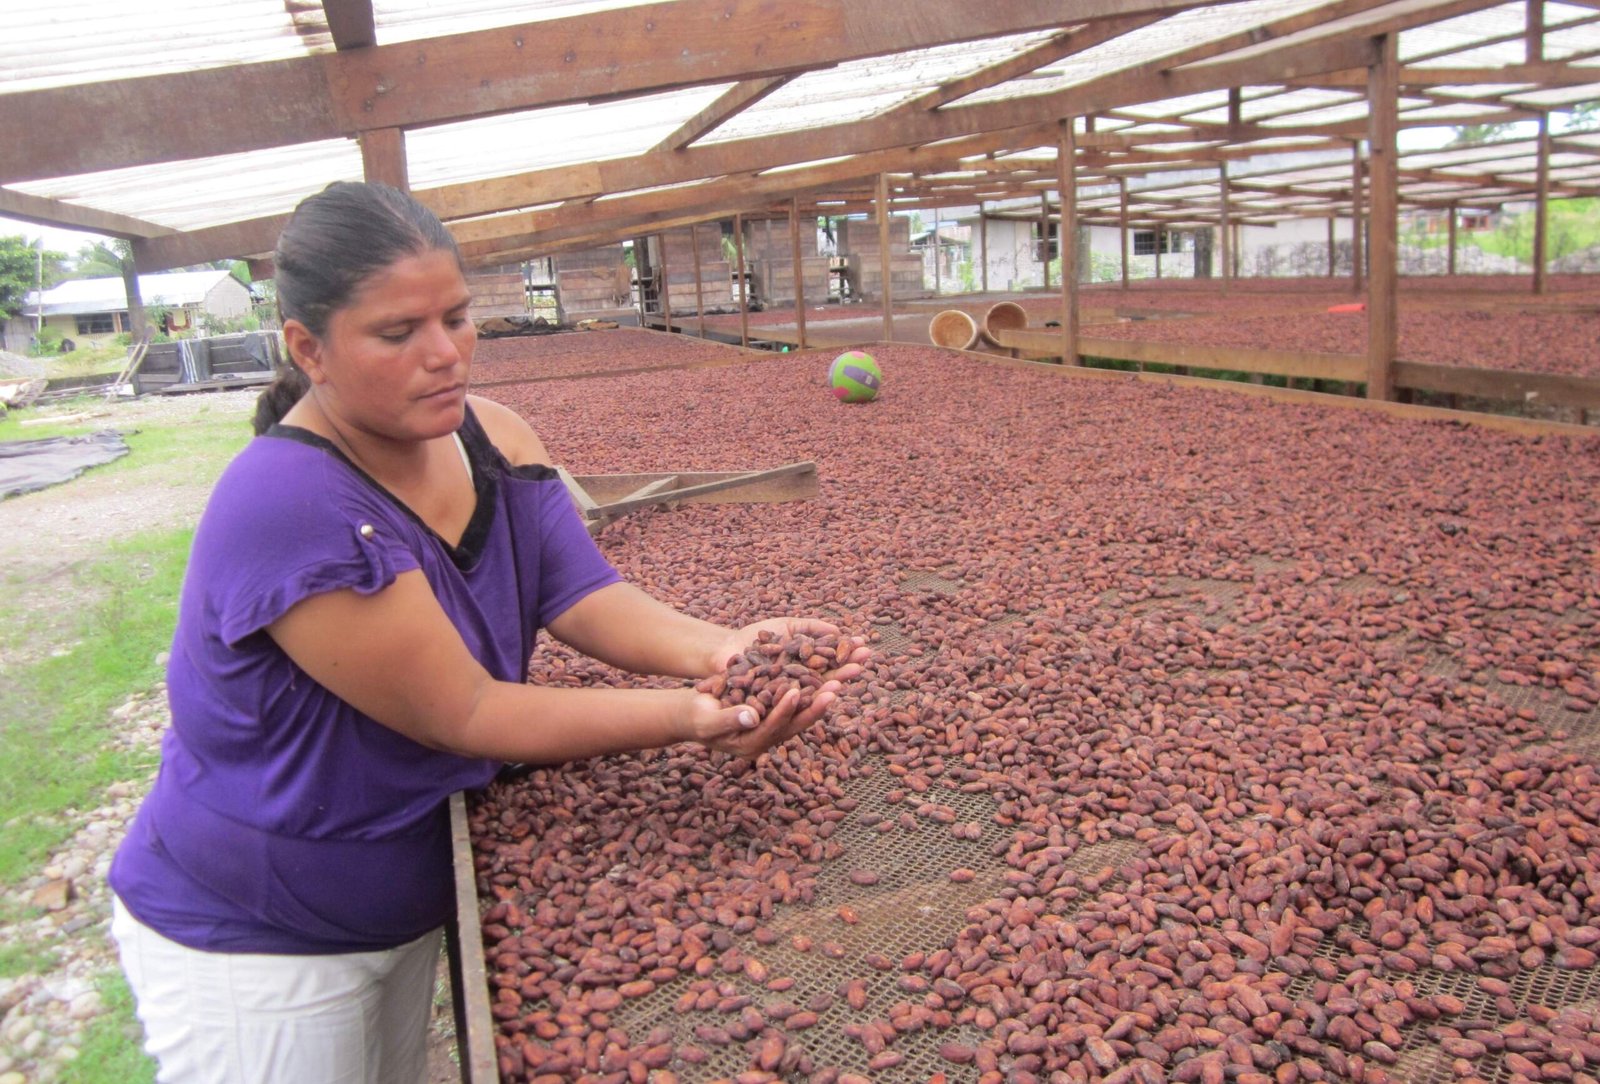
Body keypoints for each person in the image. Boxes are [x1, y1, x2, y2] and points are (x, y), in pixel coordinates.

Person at [108, 180, 867, 1084]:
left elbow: (582, 594)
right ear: (309, 348)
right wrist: (688, 714)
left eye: (458, 318)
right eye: (399, 333)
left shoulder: (494, 437)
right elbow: (463, 710)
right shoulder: (289, 501)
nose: (446, 355)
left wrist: (723, 649)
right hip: (261, 937)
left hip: (403, 903)